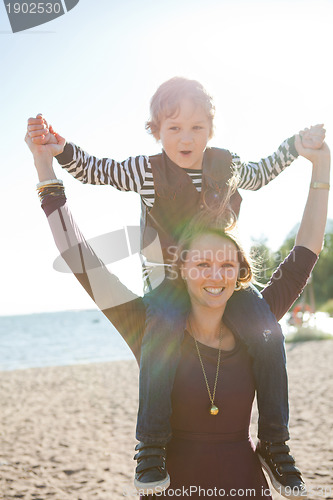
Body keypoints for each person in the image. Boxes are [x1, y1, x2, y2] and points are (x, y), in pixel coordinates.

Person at [26, 77, 325, 495]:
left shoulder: (230, 169)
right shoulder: (146, 174)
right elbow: (98, 173)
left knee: (270, 332)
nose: (186, 138)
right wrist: (55, 156)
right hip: (166, 289)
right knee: (164, 325)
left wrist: (301, 149)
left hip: (244, 482)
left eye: (197, 128)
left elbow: (265, 176)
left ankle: (275, 445)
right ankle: (149, 448)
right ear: (155, 131)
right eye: (174, 128)